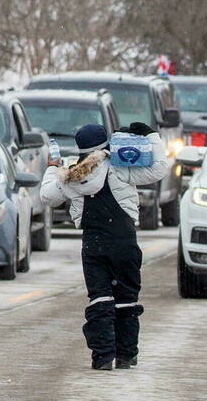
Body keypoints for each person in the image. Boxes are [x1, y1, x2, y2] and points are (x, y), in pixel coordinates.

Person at [41, 121, 169, 371]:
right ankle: (125, 355)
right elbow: (159, 168)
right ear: (107, 145)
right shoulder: (120, 168)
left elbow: (47, 197)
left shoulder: (71, 176)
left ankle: (102, 357)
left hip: (93, 244)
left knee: (99, 298)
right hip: (124, 241)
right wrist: (151, 136)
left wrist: (52, 168)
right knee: (127, 299)